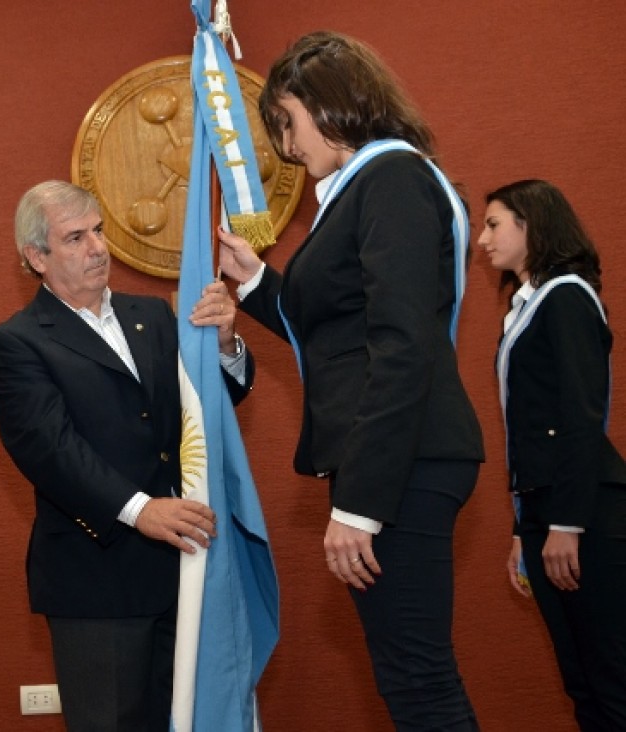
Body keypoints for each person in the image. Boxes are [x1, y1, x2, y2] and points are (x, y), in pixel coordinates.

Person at [217, 32, 484, 730]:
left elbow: (402, 346)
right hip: (400, 455)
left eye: (288, 121)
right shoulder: (365, 186)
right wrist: (253, 282)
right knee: (408, 677)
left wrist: (361, 504)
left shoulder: (389, 179)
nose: (287, 144)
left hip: (402, 462)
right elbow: (333, 328)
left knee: (418, 679)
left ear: (334, 107)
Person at [0, 180, 253, 732]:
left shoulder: (152, 316)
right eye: (75, 237)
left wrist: (225, 346)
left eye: (99, 231)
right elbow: (48, 449)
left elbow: (204, 408)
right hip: (96, 579)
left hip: (184, 569)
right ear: (37, 257)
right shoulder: (18, 341)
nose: (98, 248)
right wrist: (139, 509)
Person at [480, 179, 626, 730]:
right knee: (582, 683)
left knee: (612, 680)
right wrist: (525, 528)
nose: (482, 240)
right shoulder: (523, 307)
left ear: (531, 224)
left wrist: (566, 523)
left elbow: (582, 414)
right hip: (546, 512)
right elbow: (527, 429)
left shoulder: (566, 295)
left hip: (588, 513)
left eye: (494, 224)